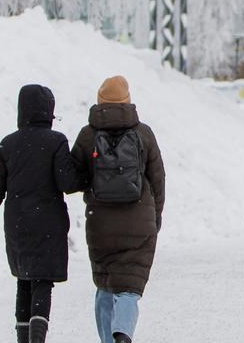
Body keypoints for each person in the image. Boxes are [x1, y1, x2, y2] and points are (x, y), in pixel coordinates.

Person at [0, 84, 81, 343]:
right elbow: (68, 183)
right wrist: (86, 171)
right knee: (42, 281)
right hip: (48, 224)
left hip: (17, 224)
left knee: (23, 280)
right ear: (48, 112)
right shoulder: (56, 142)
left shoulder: (8, 144)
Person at [71, 76, 166, 343]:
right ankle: (122, 332)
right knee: (129, 288)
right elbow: (158, 179)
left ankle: (108, 340)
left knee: (105, 284)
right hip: (139, 221)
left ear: (100, 102)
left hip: (101, 224)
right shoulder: (143, 134)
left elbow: (74, 178)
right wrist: (156, 215)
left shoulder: (88, 135)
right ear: (128, 101)